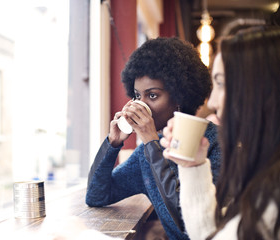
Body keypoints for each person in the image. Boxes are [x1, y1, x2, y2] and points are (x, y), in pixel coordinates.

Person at [86, 37, 222, 240]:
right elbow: (97, 196)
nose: (141, 105)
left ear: (179, 97)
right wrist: (112, 144)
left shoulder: (215, 142)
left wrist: (151, 141)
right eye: (137, 96)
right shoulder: (145, 154)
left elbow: (188, 222)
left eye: (152, 96)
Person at [160, 26, 280, 239]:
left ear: (264, 91)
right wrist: (193, 165)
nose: (213, 102)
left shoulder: (272, 195)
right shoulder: (264, 172)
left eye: (222, 83)